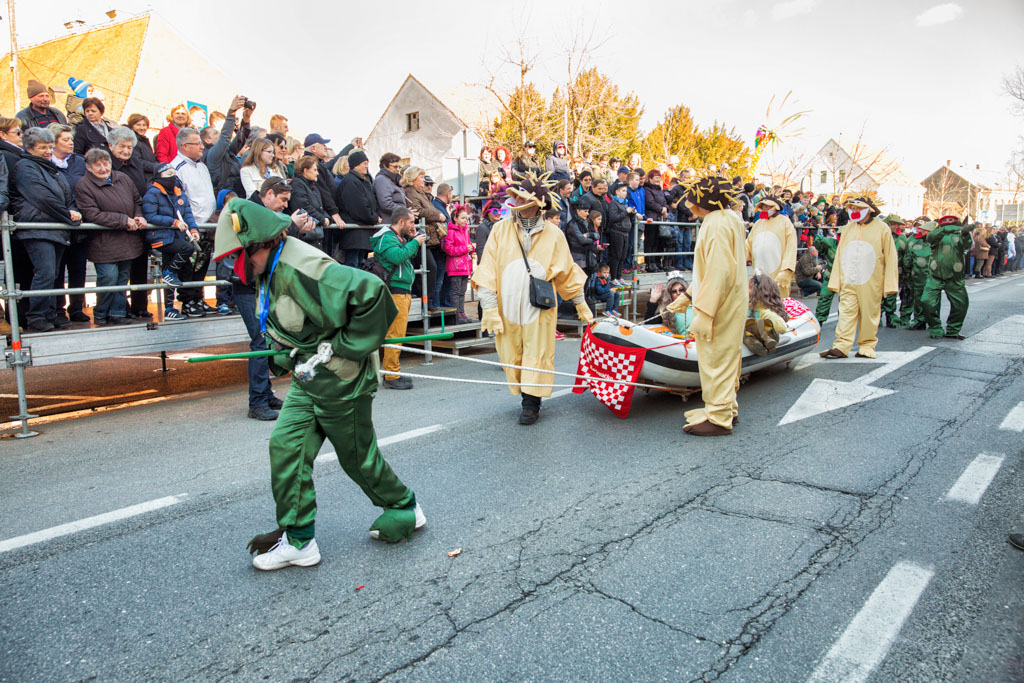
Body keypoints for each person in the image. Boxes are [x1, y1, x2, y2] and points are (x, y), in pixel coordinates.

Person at [211, 201, 425, 568]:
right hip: (309, 377)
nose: (236, 266)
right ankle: (299, 540)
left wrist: (341, 348)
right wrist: (287, 354)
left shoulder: (304, 268)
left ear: (263, 244)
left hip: (343, 379)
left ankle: (404, 506)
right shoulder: (270, 266)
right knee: (286, 446)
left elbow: (374, 294)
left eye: (239, 256)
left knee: (357, 459)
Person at [471, 172, 590, 425]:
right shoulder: (500, 230)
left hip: (540, 307)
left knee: (537, 352)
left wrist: (580, 302)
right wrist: (489, 307)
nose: (516, 203)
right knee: (511, 352)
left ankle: (531, 402)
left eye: (522, 199)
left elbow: (566, 270)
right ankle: (524, 393)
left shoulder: (554, 234)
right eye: (515, 198)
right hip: (507, 305)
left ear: (537, 204)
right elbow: (487, 268)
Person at [664, 177, 747, 436]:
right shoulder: (729, 218)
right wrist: (689, 295)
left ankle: (719, 416)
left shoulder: (717, 224)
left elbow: (718, 272)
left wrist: (705, 311)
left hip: (719, 303)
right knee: (726, 356)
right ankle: (726, 407)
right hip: (730, 299)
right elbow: (711, 269)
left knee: (715, 357)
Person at [13, 127, 82, 332]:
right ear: (30, 148)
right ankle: (36, 316)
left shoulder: (50, 168)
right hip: (39, 227)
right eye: (43, 147)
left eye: (50, 147)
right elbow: (42, 197)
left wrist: (71, 210)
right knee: (45, 272)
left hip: (54, 228)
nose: (48, 151)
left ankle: (50, 313)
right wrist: (67, 215)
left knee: (53, 274)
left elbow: (66, 195)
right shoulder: (25, 167)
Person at [74, 148, 146, 325]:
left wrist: (139, 216)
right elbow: (92, 214)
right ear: (88, 167)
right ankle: (101, 312)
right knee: (108, 277)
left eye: (105, 163)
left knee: (122, 278)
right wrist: (123, 220)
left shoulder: (123, 178)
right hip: (103, 241)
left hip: (127, 239)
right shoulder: (84, 186)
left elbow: (137, 201)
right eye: (97, 165)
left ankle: (117, 312)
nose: (103, 168)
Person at [820, 196, 898, 359]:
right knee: (845, 313)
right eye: (852, 209)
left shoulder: (882, 228)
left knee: (869, 314)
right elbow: (840, 254)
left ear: (868, 210)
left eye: (858, 209)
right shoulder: (848, 228)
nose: (854, 211)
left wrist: (890, 283)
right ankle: (841, 346)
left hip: (871, 280)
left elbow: (890, 256)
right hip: (849, 279)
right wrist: (836, 279)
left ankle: (867, 345)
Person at [371, 208, 428, 390]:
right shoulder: (386, 237)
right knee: (395, 334)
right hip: (395, 291)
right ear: (401, 222)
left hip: (401, 291)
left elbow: (407, 255)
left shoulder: (396, 237)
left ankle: (391, 372)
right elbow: (397, 257)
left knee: (396, 333)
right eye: (411, 222)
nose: (413, 225)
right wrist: (415, 242)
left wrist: (411, 239)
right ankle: (391, 375)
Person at [142, 163, 201, 319]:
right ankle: (170, 273)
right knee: (187, 249)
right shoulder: (152, 193)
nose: (173, 176)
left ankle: (172, 308)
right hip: (161, 237)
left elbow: (188, 214)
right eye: (168, 174)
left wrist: (193, 230)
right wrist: (173, 222)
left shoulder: (180, 193)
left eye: (174, 173)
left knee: (184, 269)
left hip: (176, 237)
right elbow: (150, 216)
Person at [401, 166, 445, 312]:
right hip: (418, 235)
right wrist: (437, 215)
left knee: (431, 268)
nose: (423, 180)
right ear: (413, 178)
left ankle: (429, 301)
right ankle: (426, 301)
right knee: (429, 268)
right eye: (421, 177)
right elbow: (417, 211)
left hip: (428, 236)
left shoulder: (420, 193)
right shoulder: (410, 192)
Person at [920, 216, 971, 340]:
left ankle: (953, 329)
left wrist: (965, 233)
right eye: (945, 221)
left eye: (951, 221)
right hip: (935, 276)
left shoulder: (960, 235)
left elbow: (967, 245)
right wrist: (945, 230)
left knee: (961, 304)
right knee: (926, 301)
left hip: (954, 277)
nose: (948, 223)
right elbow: (930, 238)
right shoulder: (936, 234)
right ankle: (935, 327)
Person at [746, 195, 797, 296]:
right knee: (759, 300)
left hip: (777, 274)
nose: (765, 208)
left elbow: (791, 248)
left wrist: (786, 270)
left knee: (776, 300)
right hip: (759, 273)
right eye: (763, 206)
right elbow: (748, 245)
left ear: (775, 207)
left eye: (768, 206)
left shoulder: (785, 223)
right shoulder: (758, 223)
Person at [336, 150, 379, 265]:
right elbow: (358, 207)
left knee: (359, 264)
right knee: (353, 265)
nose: (367, 166)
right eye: (364, 163)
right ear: (356, 165)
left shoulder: (363, 181)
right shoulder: (350, 182)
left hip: (361, 232)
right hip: (354, 233)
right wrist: (374, 217)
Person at [302, 134, 344, 230]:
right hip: (322, 217)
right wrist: (334, 212)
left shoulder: (319, 164)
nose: (325, 147)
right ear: (313, 148)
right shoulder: (312, 164)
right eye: (322, 144)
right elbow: (323, 190)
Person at [442, 205, 475, 324]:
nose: (465, 220)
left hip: (464, 266)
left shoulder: (465, 231)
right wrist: (465, 248)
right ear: (455, 218)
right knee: (456, 292)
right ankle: (456, 315)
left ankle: (461, 313)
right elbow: (448, 249)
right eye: (463, 218)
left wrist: (471, 249)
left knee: (462, 292)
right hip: (455, 267)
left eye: (466, 218)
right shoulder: (451, 232)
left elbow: (468, 245)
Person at [287, 156, 329, 251]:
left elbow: (320, 207)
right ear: (305, 171)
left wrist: (326, 217)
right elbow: (303, 207)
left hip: (315, 235)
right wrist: (322, 219)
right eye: (314, 170)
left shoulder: (313, 187)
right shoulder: (297, 185)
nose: (317, 173)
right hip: (305, 237)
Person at [879, 214, 906, 328]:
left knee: (891, 294)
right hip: (880, 270)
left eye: (897, 224)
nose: (896, 227)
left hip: (894, 271)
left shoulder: (902, 238)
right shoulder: (879, 236)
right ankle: (876, 318)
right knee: (878, 295)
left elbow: (905, 255)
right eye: (893, 224)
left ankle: (890, 317)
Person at [606, 183, 634, 281]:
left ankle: (619, 276)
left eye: (626, 190)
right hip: (617, 231)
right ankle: (614, 277)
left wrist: (632, 213)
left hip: (626, 231)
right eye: (623, 190)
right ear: (617, 192)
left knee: (622, 256)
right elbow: (613, 218)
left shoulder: (625, 203)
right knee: (616, 256)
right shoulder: (613, 203)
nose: (625, 193)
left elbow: (627, 217)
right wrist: (626, 212)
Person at [432, 183, 454, 309]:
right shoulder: (437, 206)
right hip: (439, 248)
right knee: (439, 279)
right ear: (448, 194)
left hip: (442, 247)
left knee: (443, 278)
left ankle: (442, 303)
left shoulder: (439, 205)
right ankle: (436, 305)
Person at [643, 170, 668, 272]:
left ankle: (657, 262)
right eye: (656, 178)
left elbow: (664, 201)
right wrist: (661, 209)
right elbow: (650, 202)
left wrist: (665, 208)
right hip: (651, 218)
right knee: (650, 241)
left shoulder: (660, 190)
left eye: (659, 178)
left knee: (659, 242)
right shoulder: (647, 189)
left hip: (660, 218)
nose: (658, 180)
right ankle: (650, 262)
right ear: (650, 178)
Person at [373, 153, 406, 223]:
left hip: (396, 220)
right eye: (395, 167)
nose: (398, 169)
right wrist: (404, 211)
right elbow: (386, 203)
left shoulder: (394, 180)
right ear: (385, 165)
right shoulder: (381, 180)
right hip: (388, 222)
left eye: (399, 167)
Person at [813, 234, 839, 322]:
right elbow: (818, 241)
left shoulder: (852, 245)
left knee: (846, 302)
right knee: (824, 297)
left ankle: (843, 324)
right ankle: (819, 321)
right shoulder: (831, 243)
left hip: (845, 278)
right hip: (830, 276)